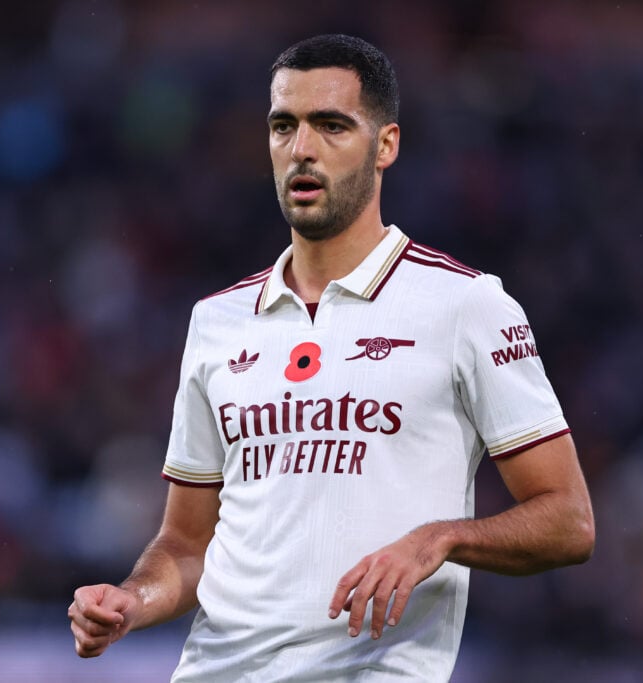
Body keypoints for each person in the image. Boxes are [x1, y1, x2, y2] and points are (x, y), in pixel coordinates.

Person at [68, 33, 595, 681]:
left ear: (386, 146)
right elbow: (186, 544)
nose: (302, 149)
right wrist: (133, 598)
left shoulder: (467, 305)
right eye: (283, 126)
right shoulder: (217, 320)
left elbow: (569, 520)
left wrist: (441, 538)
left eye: (332, 125)